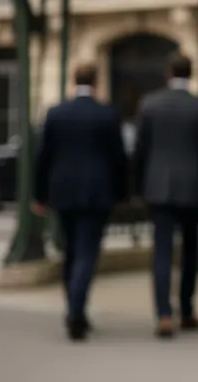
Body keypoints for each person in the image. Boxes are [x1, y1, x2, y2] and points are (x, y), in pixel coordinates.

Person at [33, 62, 128, 341]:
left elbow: (43, 157)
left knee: (71, 252)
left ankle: (75, 307)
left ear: (73, 81)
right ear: (96, 82)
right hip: (97, 192)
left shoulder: (56, 113)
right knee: (87, 253)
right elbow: (119, 159)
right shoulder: (107, 114)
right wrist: (121, 194)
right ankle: (76, 310)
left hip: (62, 192)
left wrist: (39, 195)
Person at [134, 52, 198, 339]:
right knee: (190, 250)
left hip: (158, 187)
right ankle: (186, 310)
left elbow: (140, 150)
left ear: (168, 74)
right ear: (191, 73)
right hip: (193, 187)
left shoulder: (149, 104)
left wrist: (137, 187)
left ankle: (163, 313)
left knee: (161, 250)